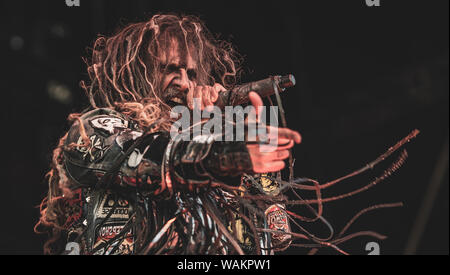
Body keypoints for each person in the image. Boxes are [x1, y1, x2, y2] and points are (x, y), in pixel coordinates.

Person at [34, 13, 301, 255]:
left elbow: (276, 237)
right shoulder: (96, 126)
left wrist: (240, 148)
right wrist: (213, 147)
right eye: (170, 69)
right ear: (139, 73)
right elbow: (149, 156)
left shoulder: (211, 133)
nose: (185, 83)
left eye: (192, 73)